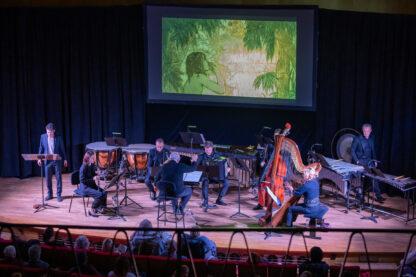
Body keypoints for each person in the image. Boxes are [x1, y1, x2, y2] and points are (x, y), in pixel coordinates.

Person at [351, 123, 384, 203]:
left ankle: (378, 196)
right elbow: (352, 150)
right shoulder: (357, 139)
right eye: (365, 131)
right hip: (360, 162)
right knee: (359, 179)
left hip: (369, 162)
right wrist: (357, 161)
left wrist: (375, 161)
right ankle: (359, 196)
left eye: (368, 131)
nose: (366, 133)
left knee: (374, 178)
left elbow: (373, 151)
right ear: (363, 131)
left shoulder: (372, 139)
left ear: (370, 131)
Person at [37, 122, 68, 202]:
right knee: (48, 178)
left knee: (58, 178)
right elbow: (41, 148)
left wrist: (65, 159)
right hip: (47, 161)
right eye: (47, 132)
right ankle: (50, 194)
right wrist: (39, 158)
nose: (49, 134)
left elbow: (62, 149)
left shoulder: (59, 138)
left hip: (56, 160)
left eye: (50, 132)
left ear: (54, 131)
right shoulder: (43, 137)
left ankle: (58, 195)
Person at [196, 141, 229, 211]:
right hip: (206, 177)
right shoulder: (201, 156)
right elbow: (195, 166)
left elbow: (225, 162)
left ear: (212, 148)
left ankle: (219, 200)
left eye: (208, 148)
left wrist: (228, 167)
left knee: (226, 183)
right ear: (204, 148)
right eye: (206, 148)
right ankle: (205, 202)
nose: (207, 149)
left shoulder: (218, 155)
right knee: (205, 182)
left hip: (217, 177)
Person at [77, 151, 107, 216]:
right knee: (99, 195)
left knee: (104, 192)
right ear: (88, 158)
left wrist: (96, 173)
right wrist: (93, 178)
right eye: (93, 158)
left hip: (91, 185)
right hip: (85, 187)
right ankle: (92, 209)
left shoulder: (91, 165)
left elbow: (92, 174)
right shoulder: (83, 167)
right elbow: (82, 180)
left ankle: (101, 208)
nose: (94, 159)